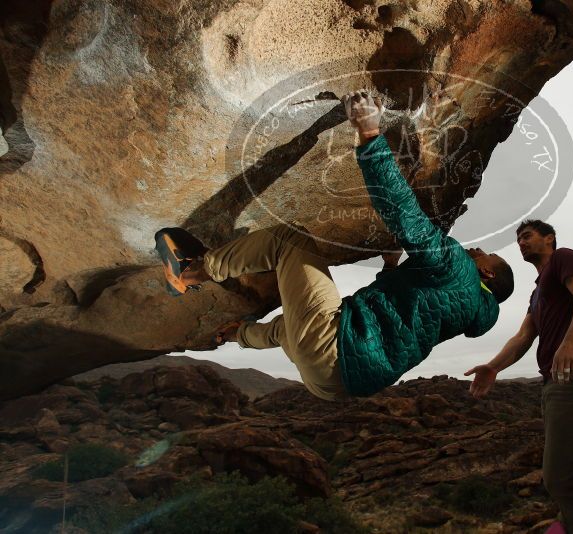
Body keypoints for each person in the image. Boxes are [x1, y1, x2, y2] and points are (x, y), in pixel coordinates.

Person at [154, 90, 514, 401]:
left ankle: (191, 271)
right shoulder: (469, 310)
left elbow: (405, 216)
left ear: (486, 272)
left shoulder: (459, 270)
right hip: (335, 384)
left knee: (288, 240)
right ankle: (238, 335)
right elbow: (409, 318)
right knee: (292, 327)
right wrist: (391, 268)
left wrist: (370, 133)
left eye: (482, 254)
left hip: (338, 347)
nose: (474, 251)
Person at [465, 220, 573, 534]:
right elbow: (522, 338)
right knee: (561, 477)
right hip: (555, 386)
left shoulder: (564, 259)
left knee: (562, 478)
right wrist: (493, 367)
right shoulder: (538, 291)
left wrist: (571, 340)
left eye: (527, 236)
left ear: (550, 239)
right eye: (518, 238)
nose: (521, 242)